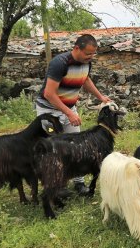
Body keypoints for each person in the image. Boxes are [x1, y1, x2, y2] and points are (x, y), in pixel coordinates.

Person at [35, 34, 112, 195]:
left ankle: (79, 182)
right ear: (77, 48)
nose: (91, 57)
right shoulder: (60, 63)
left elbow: (85, 80)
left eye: (93, 54)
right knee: (53, 148)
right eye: (88, 54)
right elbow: (49, 94)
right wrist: (69, 113)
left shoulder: (86, 63)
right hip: (49, 110)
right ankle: (56, 185)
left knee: (78, 147)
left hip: (69, 107)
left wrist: (100, 97)